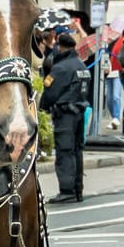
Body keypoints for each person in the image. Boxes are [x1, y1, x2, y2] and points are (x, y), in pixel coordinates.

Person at [37, 32, 89, 204]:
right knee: (77, 150)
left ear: (60, 47)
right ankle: (78, 189)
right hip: (80, 112)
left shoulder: (61, 68)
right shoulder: (81, 65)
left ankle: (67, 190)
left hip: (65, 114)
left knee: (65, 151)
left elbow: (49, 93)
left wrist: (42, 108)